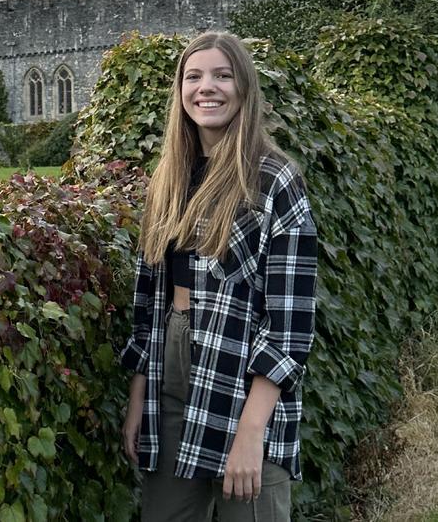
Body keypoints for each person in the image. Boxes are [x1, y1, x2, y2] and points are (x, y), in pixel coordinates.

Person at [120, 31, 318, 521]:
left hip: (243, 379)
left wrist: (252, 434)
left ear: (244, 88)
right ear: (180, 91)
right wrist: (137, 398)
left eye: (222, 75)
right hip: (172, 368)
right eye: (194, 76)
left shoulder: (274, 180)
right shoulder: (168, 177)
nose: (207, 87)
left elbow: (290, 327)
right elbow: (148, 303)